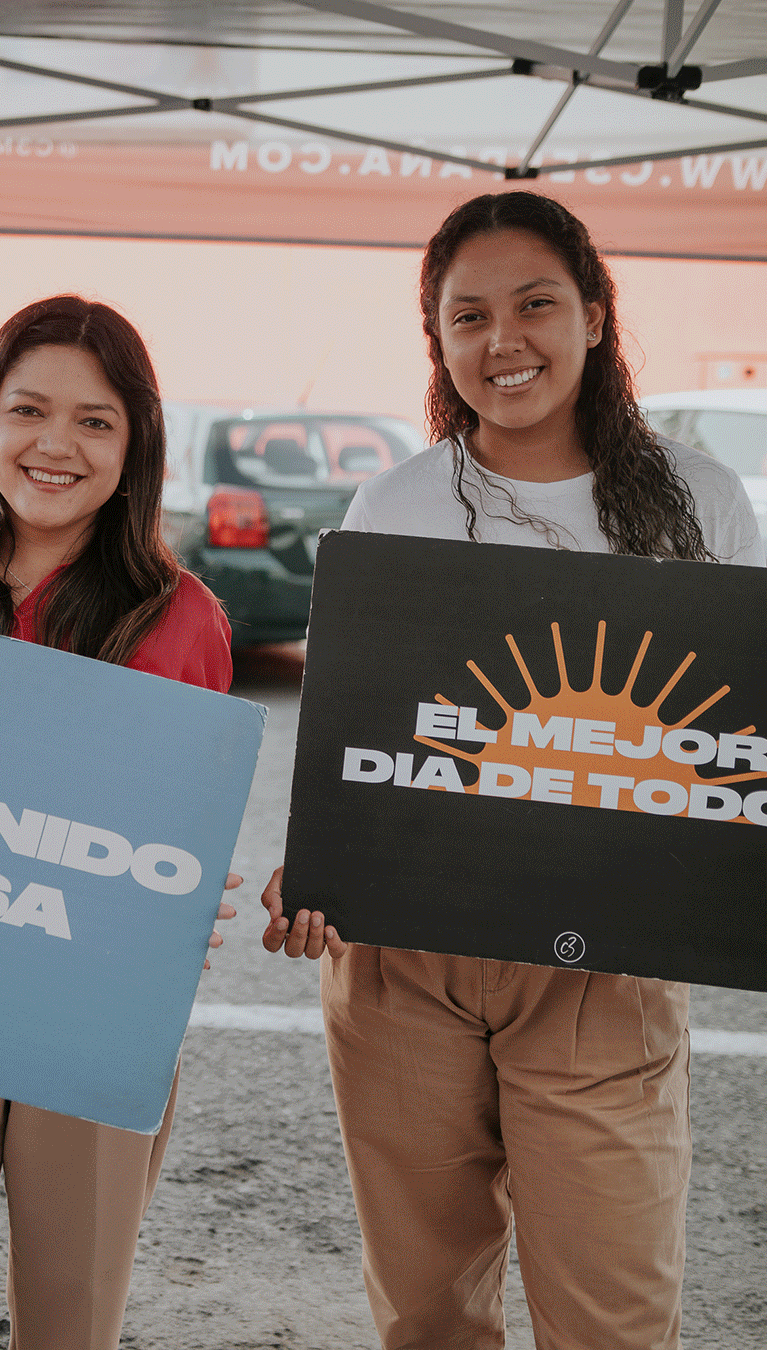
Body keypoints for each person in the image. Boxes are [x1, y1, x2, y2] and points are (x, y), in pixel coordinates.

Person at [261, 192, 765, 1350]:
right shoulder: (396, 502)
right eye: (468, 317)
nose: (504, 342)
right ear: (437, 340)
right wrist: (315, 864)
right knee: (428, 1314)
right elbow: (353, 730)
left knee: (611, 1317)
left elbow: (737, 736)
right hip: (404, 962)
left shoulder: (702, 503)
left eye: (535, 305)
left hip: (606, 968)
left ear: (595, 314)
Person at [0, 294, 239, 1350]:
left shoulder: (183, 618)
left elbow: (179, 825)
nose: (56, 445)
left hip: (98, 1010)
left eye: (95, 421)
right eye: (28, 410)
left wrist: (183, 893)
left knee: (75, 1318)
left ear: (135, 443)